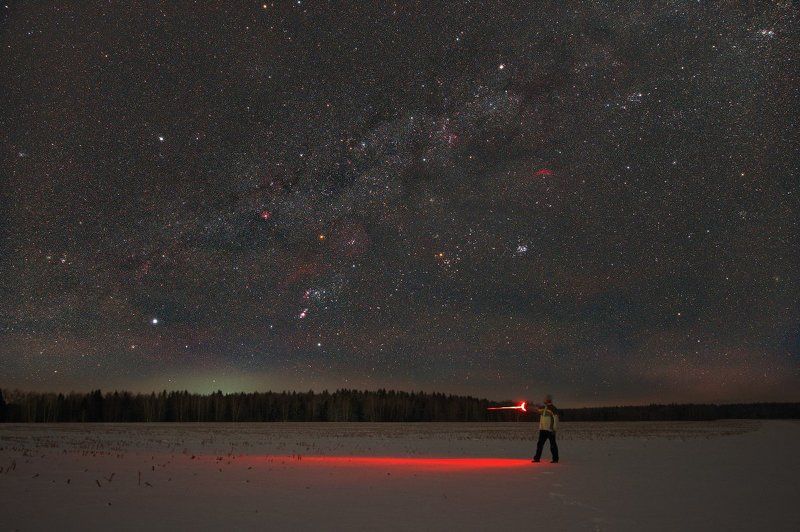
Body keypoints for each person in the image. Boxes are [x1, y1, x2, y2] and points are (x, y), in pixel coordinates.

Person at [532, 394, 559, 463]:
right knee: (540, 444)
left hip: (550, 430)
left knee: (552, 445)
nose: (544, 401)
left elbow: (556, 419)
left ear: (547, 400)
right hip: (542, 429)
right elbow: (536, 410)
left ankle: (555, 459)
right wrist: (526, 407)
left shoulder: (553, 409)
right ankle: (537, 458)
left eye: (545, 399)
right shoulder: (543, 408)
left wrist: (554, 429)